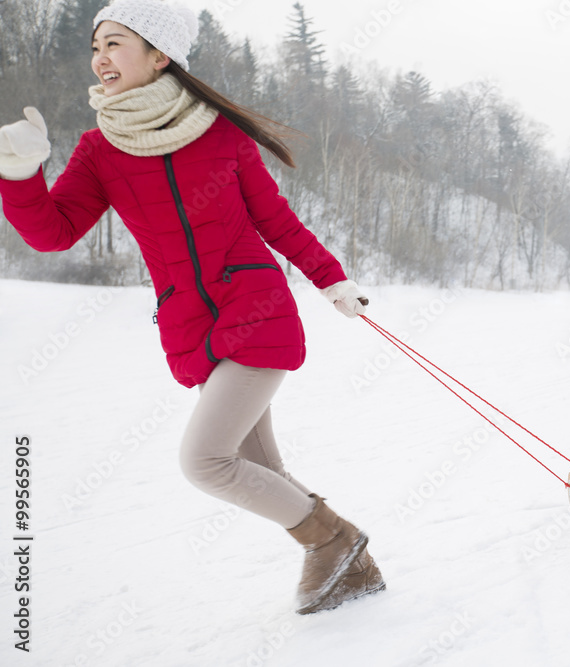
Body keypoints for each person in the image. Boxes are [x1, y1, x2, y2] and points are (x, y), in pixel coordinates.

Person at [0, 0, 384, 614]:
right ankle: (350, 558)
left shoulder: (220, 133)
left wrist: (330, 280)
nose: (100, 57)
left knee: (205, 460)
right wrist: (20, 173)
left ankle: (330, 545)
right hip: (191, 324)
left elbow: (273, 220)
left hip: (257, 310)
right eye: (96, 46)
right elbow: (54, 232)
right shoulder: (101, 149)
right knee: (261, 467)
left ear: (160, 56)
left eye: (116, 43)